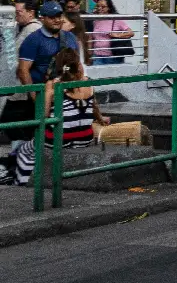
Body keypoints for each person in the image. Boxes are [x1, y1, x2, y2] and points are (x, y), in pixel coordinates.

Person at [0, 48, 108, 185]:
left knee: (23, 150)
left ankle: (21, 183)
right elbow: (95, 107)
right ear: (78, 64)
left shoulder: (53, 84)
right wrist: (101, 118)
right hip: (85, 138)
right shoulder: (87, 82)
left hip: (59, 139)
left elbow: (43, 116)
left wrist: (47, 95)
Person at [2, 0, 43, 149]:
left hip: (24, 86)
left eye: (18, 12)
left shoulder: (32, 30)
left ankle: (23, 151)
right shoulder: (26, 28)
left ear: (31, 12)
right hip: (22, 86)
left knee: (10, 119)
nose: (15, 16)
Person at [88, 0, 134, 65]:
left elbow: (131, 33)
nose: (99, 8)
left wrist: (118, 35)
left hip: (113, 56)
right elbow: (92, 38)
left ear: (109, 8)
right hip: (97, 56)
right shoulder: (95, 21)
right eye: (98, 6)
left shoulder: (116, 19)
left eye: (103, 6)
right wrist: (89, 53)